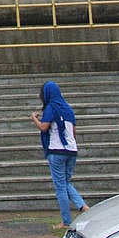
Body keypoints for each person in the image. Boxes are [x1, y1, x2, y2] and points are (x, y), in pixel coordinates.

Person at [31, 80, 90, 229]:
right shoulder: (68, 109)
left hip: (56, 150)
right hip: (71, 150)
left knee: (60, 187)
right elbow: (74, 132)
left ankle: (66, 221)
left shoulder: (51, 107)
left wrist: (34, 118)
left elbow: (44, 128)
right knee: (65, 182)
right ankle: (82, 206)